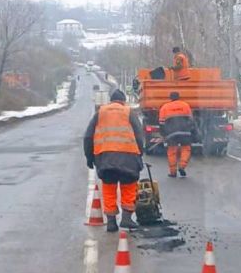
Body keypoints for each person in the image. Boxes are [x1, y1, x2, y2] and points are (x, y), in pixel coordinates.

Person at [83, 89, 144, 232]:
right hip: (128, 157)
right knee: (128, 186)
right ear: (123, 101)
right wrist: (139, 153)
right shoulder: (129, 112)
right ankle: (126, 219)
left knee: (109, 188)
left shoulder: (100, 113)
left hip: (105, 158)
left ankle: (111, 222)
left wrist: (89, 158)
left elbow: (88, 137)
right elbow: (139, 135)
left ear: (111, 100)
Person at [158, 91, 195, 178]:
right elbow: (191, 120)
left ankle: (173, 172)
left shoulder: (165, 107)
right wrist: (190, 130)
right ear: (179, 97)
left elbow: (161, 122)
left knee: (172, 151)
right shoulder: (185, 105)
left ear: (170, 98)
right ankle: (182, 166)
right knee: (186, 149)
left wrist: (163, 134)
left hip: (171, 133)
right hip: (185, 132)